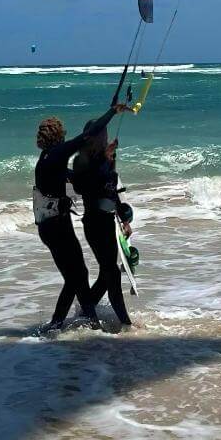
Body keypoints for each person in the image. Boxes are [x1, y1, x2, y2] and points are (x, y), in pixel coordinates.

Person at [34, 104, 129, 331]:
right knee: (78, 275)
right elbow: (87, 135)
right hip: (57, 228)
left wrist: (104, 159)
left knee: (75, 276)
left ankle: (61, 323)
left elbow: (73, 178)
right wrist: (112, 112)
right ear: (58, 136)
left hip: (50, 226)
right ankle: (87, 322)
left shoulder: (47, 159)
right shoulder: (57, 154)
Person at [72, 123, 133, 328]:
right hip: (94, 224)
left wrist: (124, 220)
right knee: (112, 273)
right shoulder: (82, 161)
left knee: (107, 274)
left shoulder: (106, 158)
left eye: (106, 135)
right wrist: (104, 160)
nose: (105, 139)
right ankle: (126, 323)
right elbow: (84, 187)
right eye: (101, 136)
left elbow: (111, 190)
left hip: (108, 223)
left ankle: (86, 310)